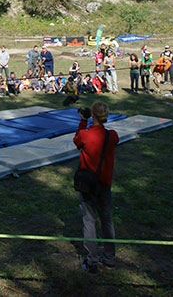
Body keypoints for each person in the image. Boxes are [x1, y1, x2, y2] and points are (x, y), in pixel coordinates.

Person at [73, 101, 119, 272]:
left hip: (88, 185)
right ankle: (109, 257)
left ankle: (91, 259)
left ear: (93, 115)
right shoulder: (112, 136)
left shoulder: (86, 135)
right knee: (107, 221)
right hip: (104, 184)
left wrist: (83, 121)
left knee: (89, 221)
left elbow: (77, 140)